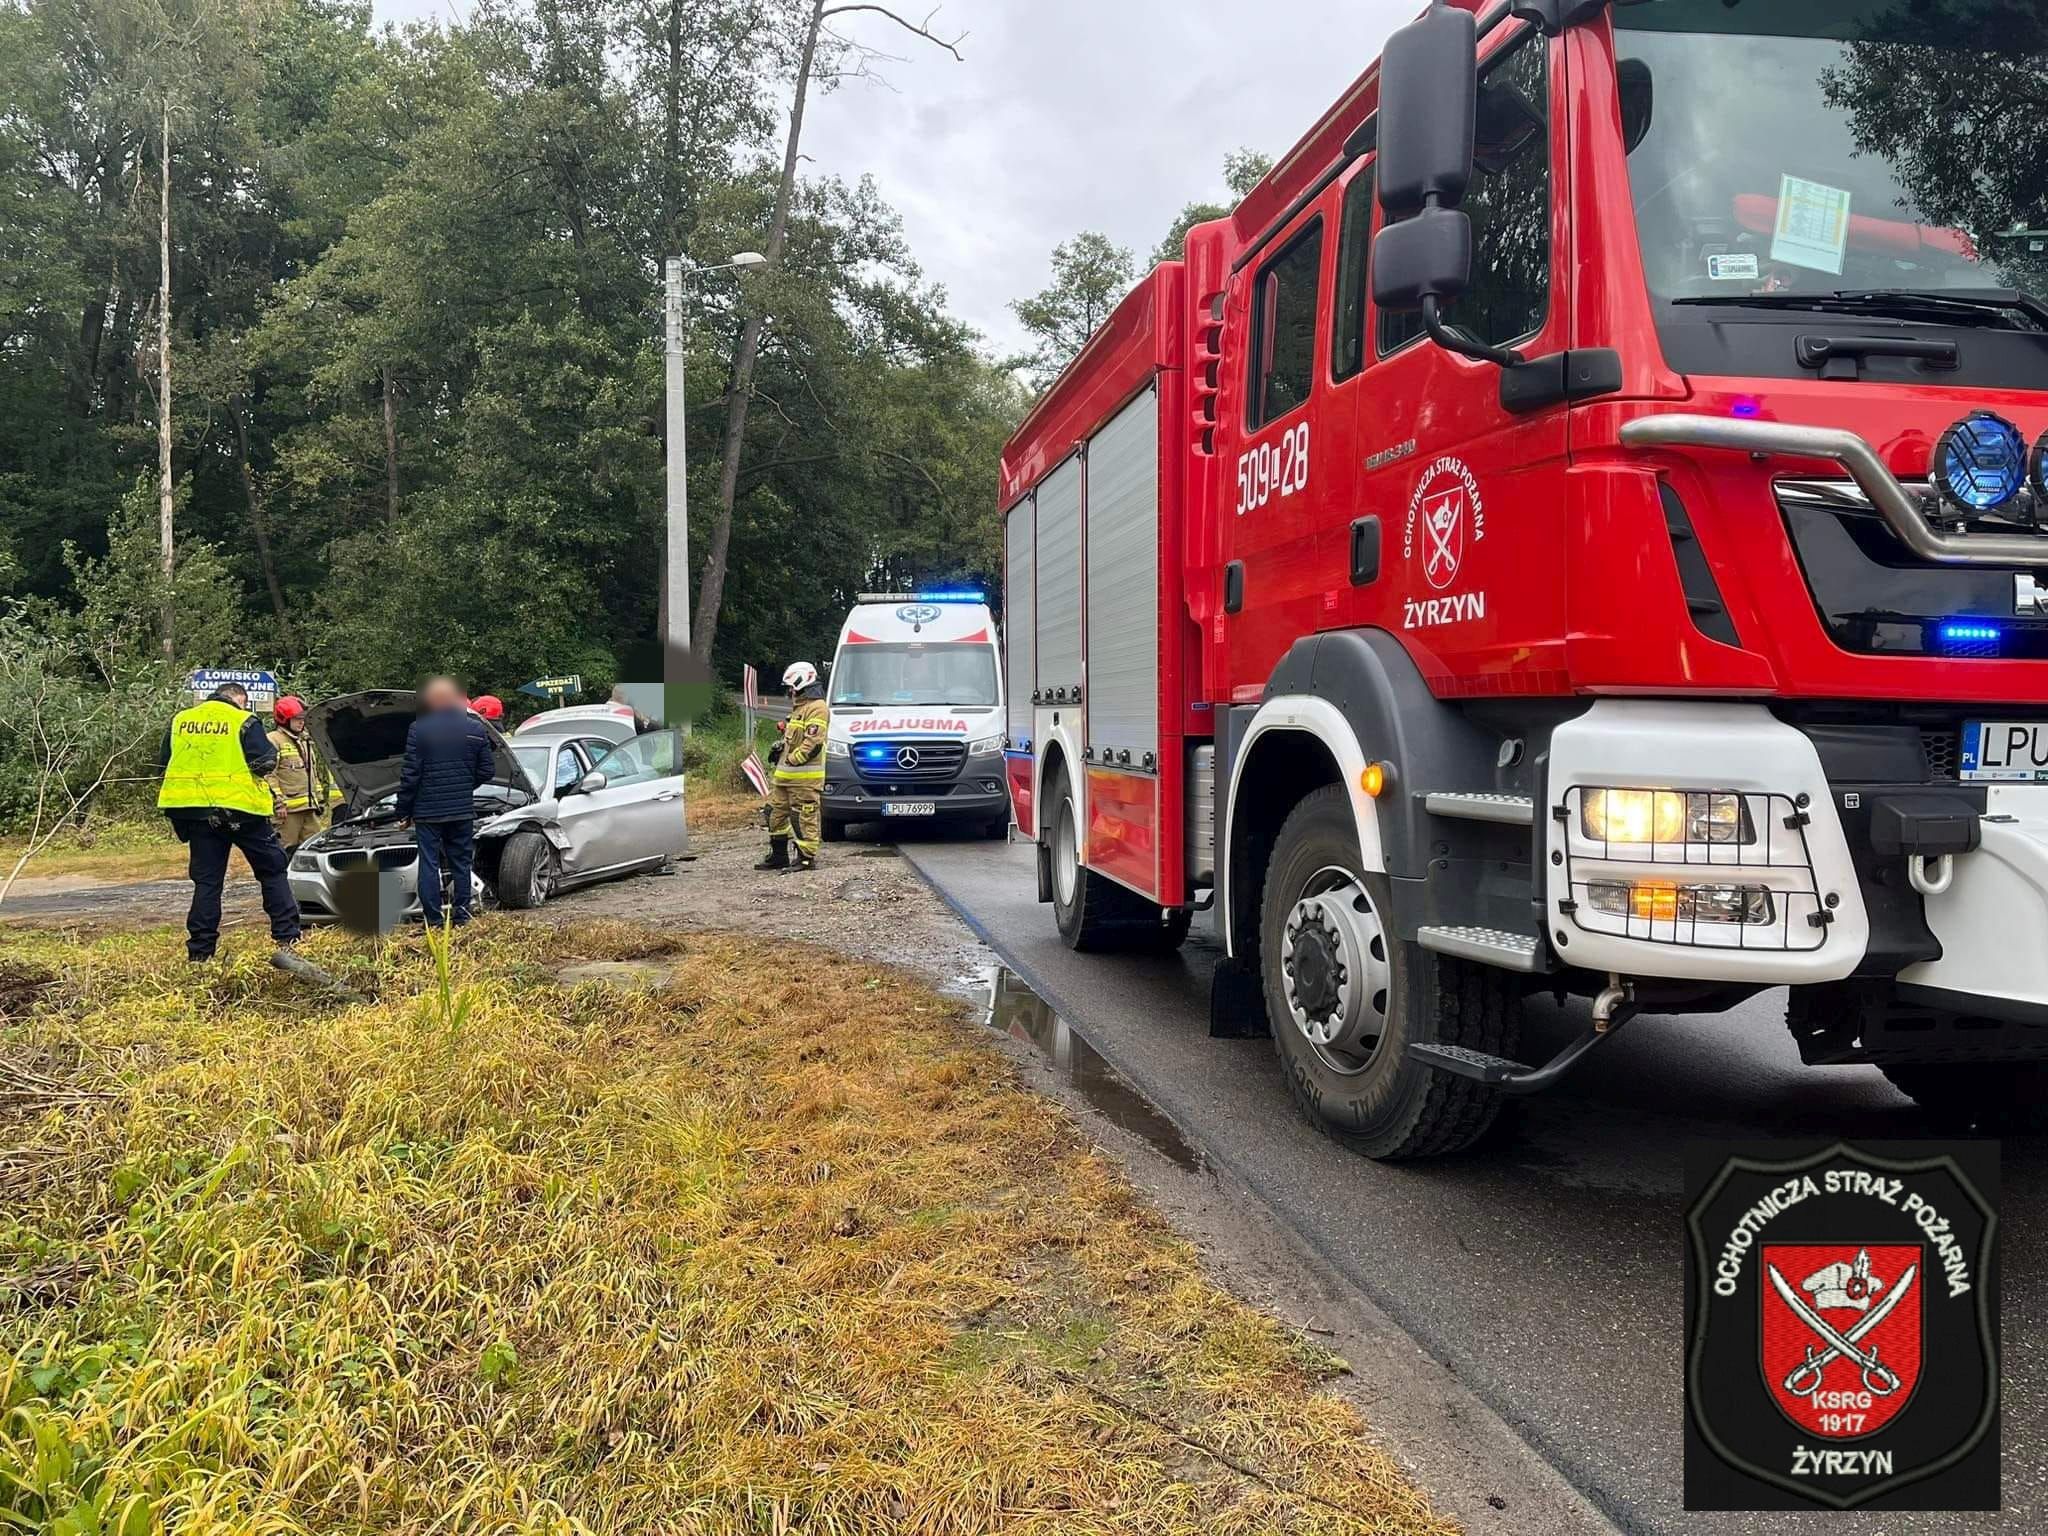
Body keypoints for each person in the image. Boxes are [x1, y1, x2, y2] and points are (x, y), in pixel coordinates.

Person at [158, 681, 302, 961]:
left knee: (207, 882)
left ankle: (200, 951)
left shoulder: (181, 719)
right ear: (240, 699)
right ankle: (287, 936)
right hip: (240, 809)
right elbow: (264, 762)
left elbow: (164, 762)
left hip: (193, 810)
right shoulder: (243, 719)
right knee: (272, 870)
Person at [395, 675, 496, 926]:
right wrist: (463, 787)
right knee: (461, 862)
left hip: (427, 811)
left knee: (429, 864)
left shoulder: (419, 729)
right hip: (461, 809)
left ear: (433, 700)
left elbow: (411, 775)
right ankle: (462, 915)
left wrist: (403, 811)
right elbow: (487, 770)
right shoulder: (476, 728)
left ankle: (434, 921)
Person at [759, 661, 828, 873]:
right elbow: (794, 739)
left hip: (805, 780)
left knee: (803, 817)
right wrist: (781, 748)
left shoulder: (817, 708)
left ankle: (806, 858)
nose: (790, 691)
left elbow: (813, 743)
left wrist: (793, 759)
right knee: (774, 814)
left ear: (802, 683)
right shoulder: (799, 709)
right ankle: (779, 856)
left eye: (792, 687)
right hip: (784, 778)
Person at [266, 695, 339, 853]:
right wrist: (278, 803)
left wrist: (319, 801)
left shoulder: (304, 740)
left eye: (303, 719)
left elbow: (312, 773)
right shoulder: (273, 740)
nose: (301, 722)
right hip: (288, 812)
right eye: (297, 719)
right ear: (284, 719)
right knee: (286, 852)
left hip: (310, 808)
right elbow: (269, 775)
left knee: (313, 850)